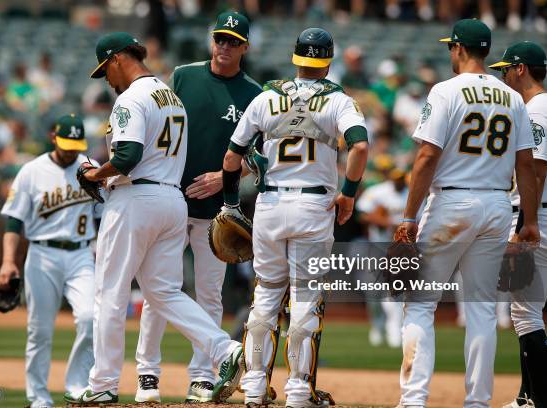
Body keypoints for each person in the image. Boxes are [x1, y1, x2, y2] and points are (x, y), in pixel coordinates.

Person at [64, 32, 244, 405]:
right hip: (171, 201)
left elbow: (127, 155)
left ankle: (103, 385)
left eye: (106, 71)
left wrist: (94, 175)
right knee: (163, 292)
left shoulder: (131, 97)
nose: (107, 80)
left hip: (136, 199)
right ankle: (224, 349)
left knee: (110, 294)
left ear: (116, 59)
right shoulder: (171, 96)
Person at [221, 27, 369, 408]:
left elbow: (231, 159)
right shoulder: (340, 101)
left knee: (266, 295)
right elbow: (360, 147)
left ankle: (254, 389)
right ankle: (299, 392)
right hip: (313, 207)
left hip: (270, 206)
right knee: (305, 298)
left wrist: (231, 204)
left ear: (295, 57)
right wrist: (348, 195)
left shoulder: (266, 96)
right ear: (328, 60)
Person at [394, 19, 539, 407]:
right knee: (481, 310)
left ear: (459, 49)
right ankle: (478, 402)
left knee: (421, 302)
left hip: (452, 202)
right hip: (495, 205)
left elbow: (427, 156)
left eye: (450, 48)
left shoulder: (446, 90)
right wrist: (529, 221)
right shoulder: (511, 96)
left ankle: (413, 400)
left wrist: (409, 216)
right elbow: (526, 164)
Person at [135, 11, 262, 403]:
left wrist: (224, 175)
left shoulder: (254, 93)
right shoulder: (184, 76)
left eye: (232, 41)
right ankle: (147, 374)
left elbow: (258, 155)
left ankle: (202, 377)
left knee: (209, 294)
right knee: (160, 289)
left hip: (216, 210)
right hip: (172, 199)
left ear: (245, 46)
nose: (224, 46)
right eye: (219, 38)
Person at [0, 114, 98, 408]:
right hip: (42, 254)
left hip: (81, 254)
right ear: (53, 137)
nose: (70, 150)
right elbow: (14, 221)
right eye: (66, 143)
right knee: (39, 330)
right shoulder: (31, 171)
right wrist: (7, 262)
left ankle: (77, 387)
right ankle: (39, 398)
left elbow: (103, 217)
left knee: (91, 318)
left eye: (75, 144)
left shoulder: (89, 168)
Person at [490, 41, 547, 408]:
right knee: (529, 310)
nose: (503, 75)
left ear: (521, 69)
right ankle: (528, 395)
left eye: (505, 69)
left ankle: (537, 399)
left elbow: (537, 169)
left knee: (525, 311)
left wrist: (524, 224)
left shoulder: (536, 110)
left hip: (536, 215)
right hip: (540, 212)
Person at [357, 168, 408, 348]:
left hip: (401, 248)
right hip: (377, 246)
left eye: (401, 178)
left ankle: (395, 328)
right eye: (396, 179)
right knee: (373, 290)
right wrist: (386, 222)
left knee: (398, 291)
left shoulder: (411, 192)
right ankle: (377, 325)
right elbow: (362, 214)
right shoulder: (378, 192)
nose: (398, 182)